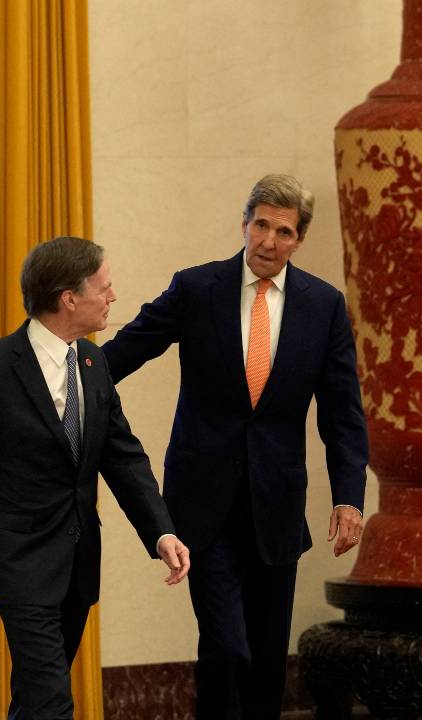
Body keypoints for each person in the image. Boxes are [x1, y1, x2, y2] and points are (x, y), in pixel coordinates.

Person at [101, 174, 369, 719]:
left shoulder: (324, 306)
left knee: (268, 659)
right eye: (262, 225)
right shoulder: (197, 289)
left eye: (284, 231)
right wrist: (55, 382)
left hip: (275, 504)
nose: (269, 241)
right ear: (244, 224)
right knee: (227, 647)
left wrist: (349, 497)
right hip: (203, 504)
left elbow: (342, 414)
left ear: (300, 239)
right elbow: (122, 354)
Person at [0, 236, 191, 720]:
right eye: (105, 287)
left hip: (77, 562)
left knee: (35, 698)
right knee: (53, 700)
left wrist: (161, 532)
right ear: (68, 298)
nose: (113, 297)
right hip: (20, 562)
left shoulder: (94, 365)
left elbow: (124, 458)